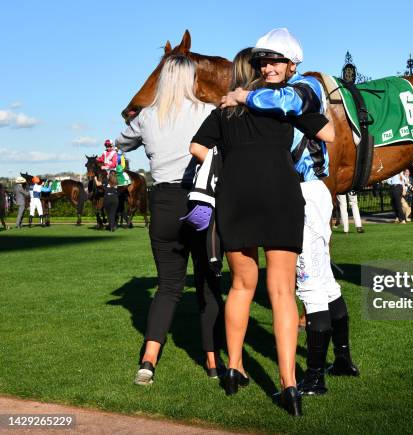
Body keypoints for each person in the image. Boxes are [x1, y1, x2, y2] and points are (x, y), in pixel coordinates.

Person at [221, 28, 359, 401]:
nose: (268, 66)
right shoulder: (276, 94)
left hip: (305, 191)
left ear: (293, 63)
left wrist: (241, 94)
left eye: (276, 60)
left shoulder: (302, 89)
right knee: (323, 279)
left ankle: (313, 376)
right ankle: (343, 359)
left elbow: (283, 104)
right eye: (263, 61)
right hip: (288, 193)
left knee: (309, 283)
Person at [191, 46, 326, 417]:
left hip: (236, 198)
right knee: (282, 291)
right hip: (281, 195)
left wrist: (228, 164)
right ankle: (289, 385)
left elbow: (197, 147)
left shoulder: (224, 111)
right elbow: (327, 132)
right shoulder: (282, 106)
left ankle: (234, 367)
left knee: (241, 286)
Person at [115, 54, 225, 385]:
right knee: (207, 282)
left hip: (162, 201)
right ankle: (211, 360)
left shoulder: (147, 117)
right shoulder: (207, 112)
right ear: (192, 81)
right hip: (199, 200)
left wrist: (136, 118)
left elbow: (121, 143)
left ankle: (148, 360)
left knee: (167, 287)